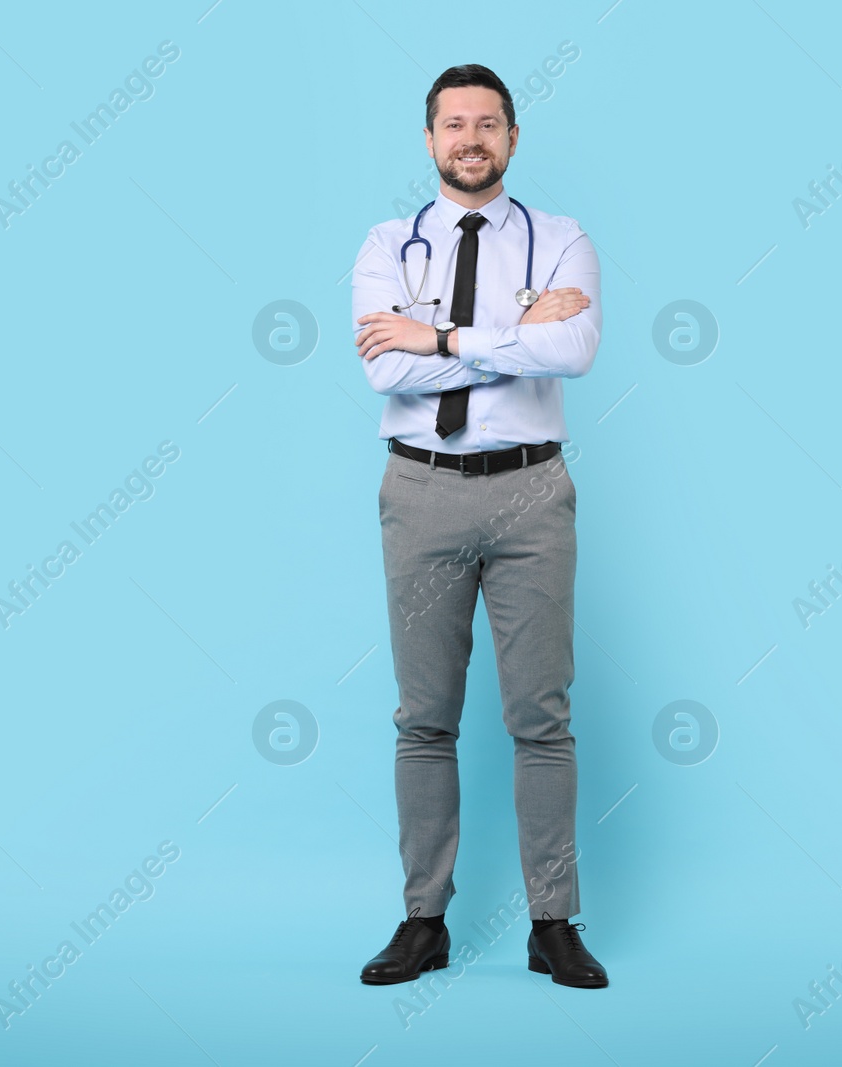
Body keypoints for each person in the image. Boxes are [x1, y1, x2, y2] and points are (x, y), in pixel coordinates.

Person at [351, 63, 608, 989]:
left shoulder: (561, 238)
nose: (471, 137)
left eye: (488, 123)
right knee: (425, 717)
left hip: (532, 493)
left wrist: (446, 337)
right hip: (419, 491)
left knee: (542, 717)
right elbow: (386, 371)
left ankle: (552, 921)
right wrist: (513, 331)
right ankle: (424, 921)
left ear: (511, 137)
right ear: (429, 139)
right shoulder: (388, 243)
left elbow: (571, 349)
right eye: (454, 123)